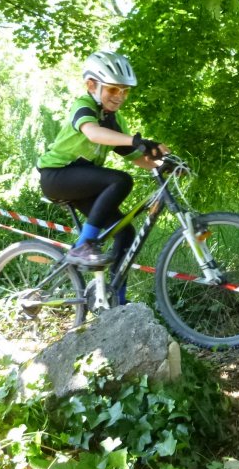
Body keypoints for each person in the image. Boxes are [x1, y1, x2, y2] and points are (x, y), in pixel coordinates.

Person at [37, 51, 167, 304]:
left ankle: (117, 300)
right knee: (120, 180)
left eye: (124, 91)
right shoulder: (83, 106)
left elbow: (133, 155)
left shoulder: (113, 120)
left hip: (83, 185)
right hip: (56, 176)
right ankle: (84, 246)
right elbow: (94, 134)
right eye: (113, 89)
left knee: (125, 232)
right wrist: (138, 141)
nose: (120, 96)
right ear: (91, 85)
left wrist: (164, 163)